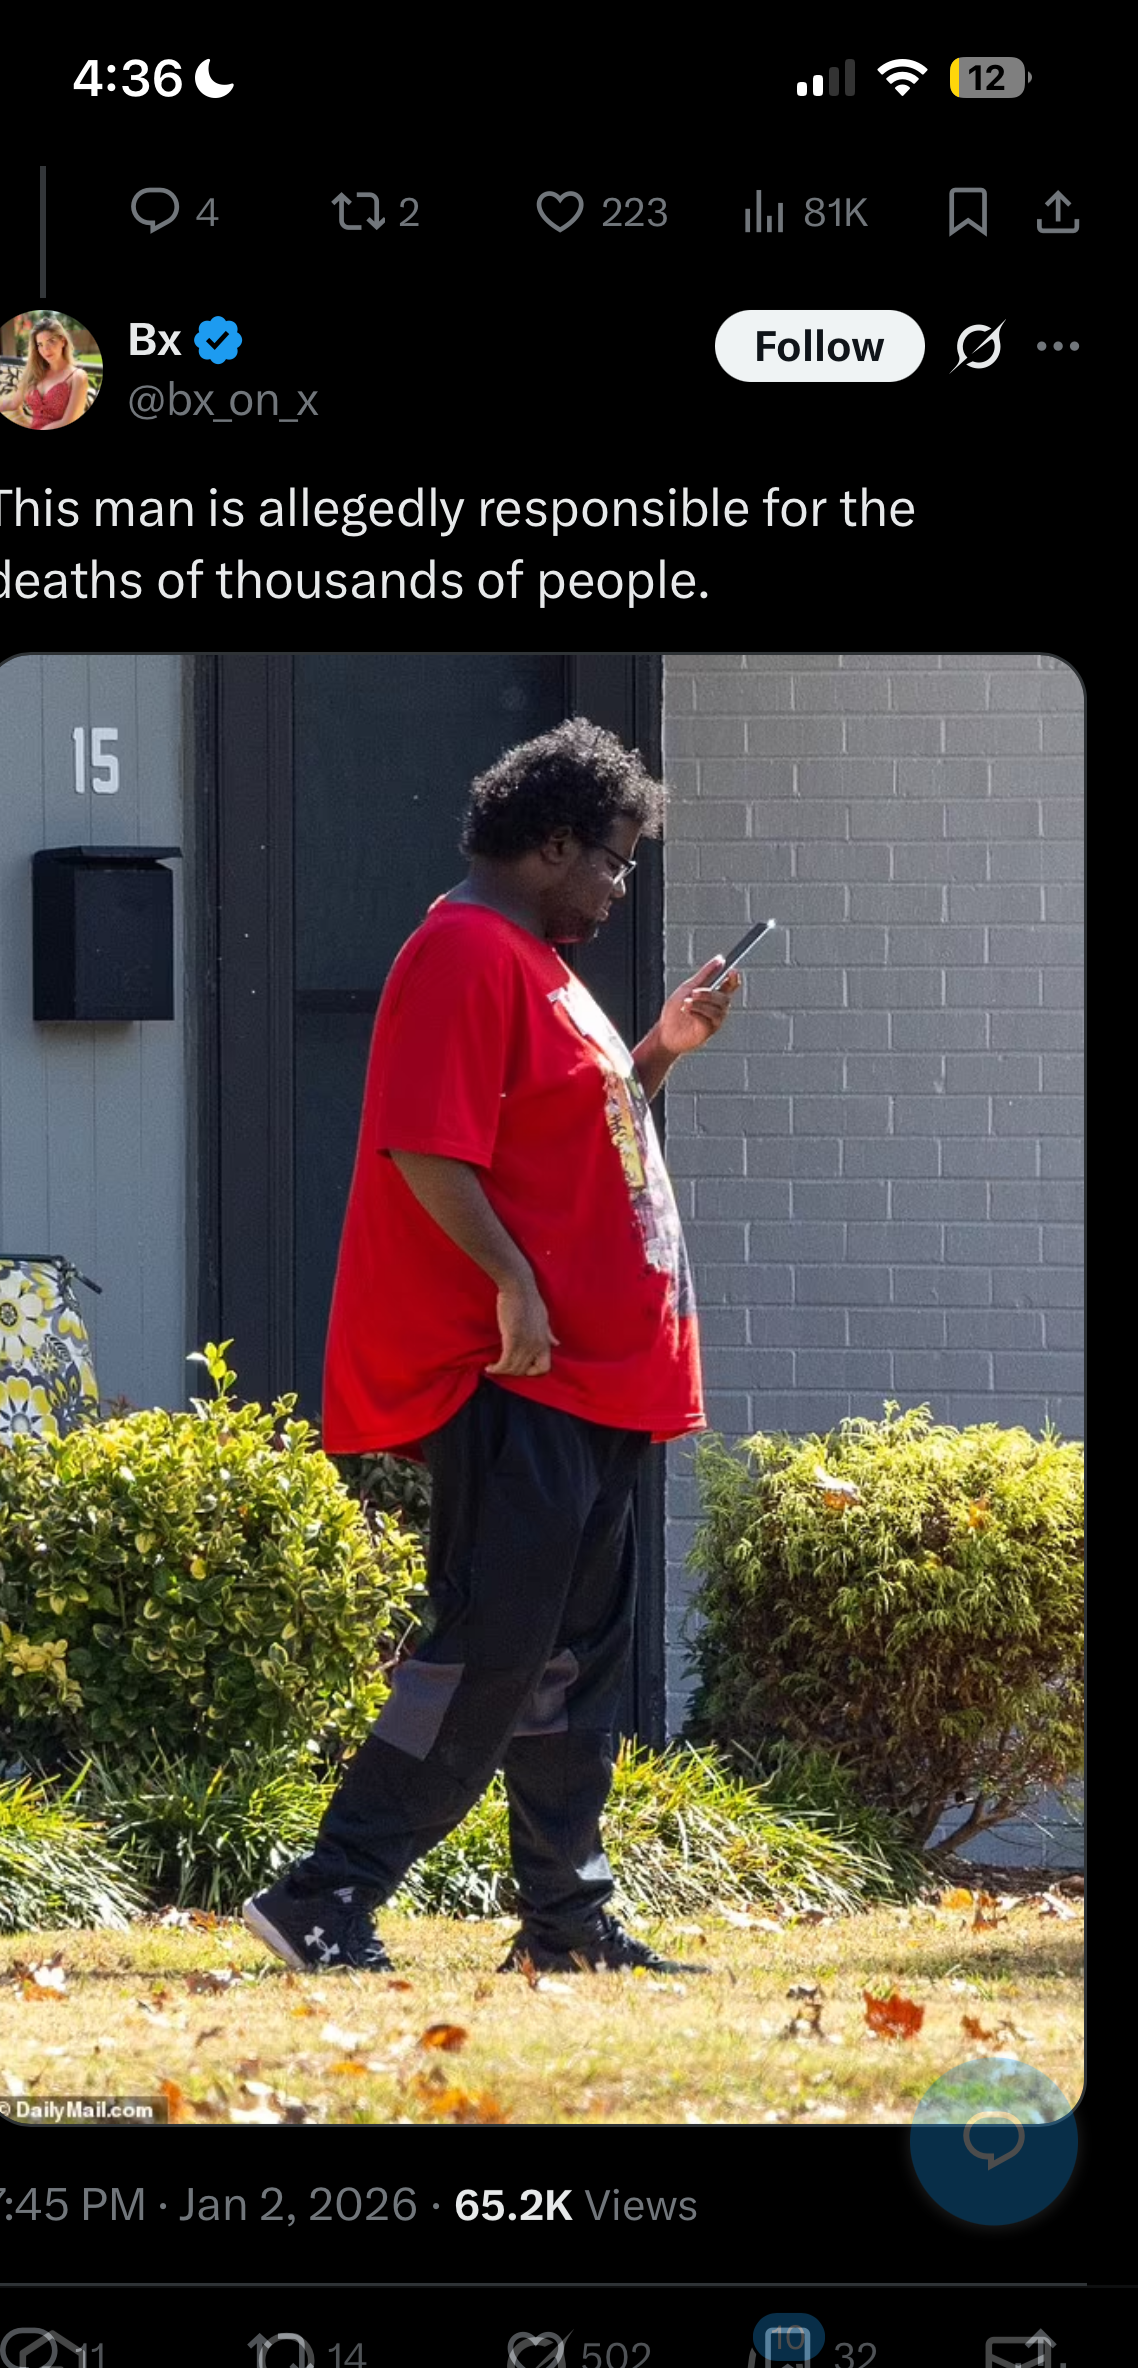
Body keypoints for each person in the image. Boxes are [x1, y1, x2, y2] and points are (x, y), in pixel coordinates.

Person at [244, 718, 740, 1976]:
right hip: (522, 1376)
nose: (619, 887)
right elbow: (425, 1142)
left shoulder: (538, 966)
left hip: (597, 1380)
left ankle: (566, 1924)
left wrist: (658, 1053)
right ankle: (325, 1897)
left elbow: (578, 1134)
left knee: (571, 1662)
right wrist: (513, 1283)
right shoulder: (462, 951)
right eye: (614, 861)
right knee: (490, 1654)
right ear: (553, 843)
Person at [0, 319, 90, 429]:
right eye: (40, 344)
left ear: (63, 341)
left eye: (51, 341)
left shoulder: (77, 377)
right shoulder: (34, 373)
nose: (45, 349)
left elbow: (69, 421)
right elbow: (13, 404)